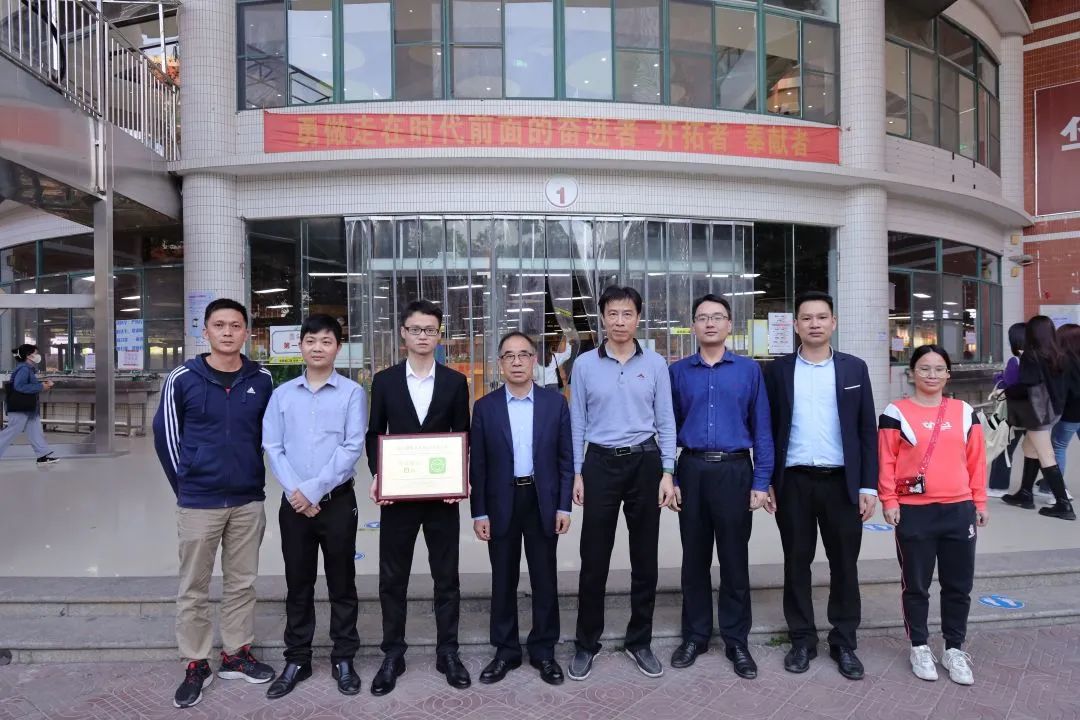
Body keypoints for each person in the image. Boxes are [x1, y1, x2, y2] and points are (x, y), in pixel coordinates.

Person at [152, 299, 277, 709]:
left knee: (242, 582)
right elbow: (166, 435)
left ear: (246, 332)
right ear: (204, 331)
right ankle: (196, 662)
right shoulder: (183, 378)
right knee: (194, 586)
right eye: (219, 325)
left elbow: (270, 436)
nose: (227, 332)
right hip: (198, 501)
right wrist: (187, 484)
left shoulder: (262, 379)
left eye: (235, 325)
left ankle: (236, 654)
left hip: (247, 499)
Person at [763, 291, 878, 681]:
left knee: (844, 564)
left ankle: (844, 642)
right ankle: (802, 640)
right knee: (796, 563)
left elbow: (867, 430)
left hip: (841, 483)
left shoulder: (854, 369)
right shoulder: (777, 371)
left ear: (834, 322)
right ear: (796, 325)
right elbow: (767, 429)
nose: (814, 324)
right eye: (807, 318)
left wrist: (868, 486)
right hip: (793, 482)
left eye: (821, 317)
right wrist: (768, 480)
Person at [567, 285, 677, 681]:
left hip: (645, 462)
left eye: (627, 314)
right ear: (602, 317)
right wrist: (577, 472)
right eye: (612, 313)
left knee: (644, 558)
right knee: (594, 558)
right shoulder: (584, 365)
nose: (619, 321)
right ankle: (586, 643)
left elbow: (666, 420)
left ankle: (639, 641)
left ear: (638, 318)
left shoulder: (656, 364)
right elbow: (577, 421)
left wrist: (667, 472)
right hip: (599, 463)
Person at [365, 299, 472, 695]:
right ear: (403, 334)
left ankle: (448, 652)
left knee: (447, 578)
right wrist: (379, 476)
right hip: (399, 497)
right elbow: (375, 433)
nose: (423, 336)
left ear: (439, 335)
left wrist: (461, 477)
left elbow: (463, 434)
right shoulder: (385, 381)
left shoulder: (455, 382)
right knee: (393, 578)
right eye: (416, 329)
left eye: (430, 330)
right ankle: (393, 653)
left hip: (441, 498)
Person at [668, 295, 773, 680]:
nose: (710, 323)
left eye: (717, 317)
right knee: (693, 559)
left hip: (735, 471)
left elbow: (763, 428)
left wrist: (761, 481)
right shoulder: (678, 372)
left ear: (730, 325)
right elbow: (666, 428)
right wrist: (670, 476)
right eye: (702, 318)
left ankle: (736, 640)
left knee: (733, 559)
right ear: (693, 326)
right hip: (692, 469)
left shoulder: (749, 371)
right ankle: (695, 636)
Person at [262, 315, 367, 699]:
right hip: (294, 506)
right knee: (298, 582)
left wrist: (313, 491)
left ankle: (344, 657)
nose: (318, 347)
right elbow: (273, 446)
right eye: (311, 340)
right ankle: (297, 659)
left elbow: (352, 447)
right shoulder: (282, 394)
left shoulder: (352, 393)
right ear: (300, 346)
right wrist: (298, 493)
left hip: (337, 503)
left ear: (338, 347)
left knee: (342, 583)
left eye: (326, 341)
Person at [879, 344, 988, 685]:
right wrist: (889, 500)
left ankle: (954, 648)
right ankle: (920, 646)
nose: (931, 374)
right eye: (924, 368)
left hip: (959, 509)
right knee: (916, 585)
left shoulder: (964, 412)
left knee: (958, 585)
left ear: (948, 374)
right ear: (912, 373)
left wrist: (980, 503)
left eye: (939, 369)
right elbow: (886, 460)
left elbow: (976, 461)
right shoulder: (895, 412)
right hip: (914, 512)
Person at [470, 331, 573, 686]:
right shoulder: (485, 408)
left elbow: (565, 460)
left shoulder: (554, 404)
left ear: (534, 360)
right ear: (500, 363)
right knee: (503, 579)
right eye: (509, 356)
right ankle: (506, 651)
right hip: (502, 502)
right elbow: (478, 466)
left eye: (524, 355)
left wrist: (564, 506)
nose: (517, 362)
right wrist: (479, 512)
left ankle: (544, 650)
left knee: (545, 578)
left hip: (542, 500)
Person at [1002, 315, 1072, 520]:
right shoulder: (1059, 355)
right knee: (1029, 448)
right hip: (1053, 410)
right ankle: (1025, 494)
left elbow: (1028, 386)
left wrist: (1008, 390)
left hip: (1037, 413)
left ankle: (1063, 504)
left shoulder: (1031, 356)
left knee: (1045, 454)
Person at [0, 344, 58, 464]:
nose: (38, 355)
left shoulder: (28, 369)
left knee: (36, 431)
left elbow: (26, 385)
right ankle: (42, 455)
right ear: (28, 355)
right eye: (35, 353)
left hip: (29, 408)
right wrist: (41, 386)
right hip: (21, 408)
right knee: (12, 431)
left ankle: (43, 455)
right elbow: (19, 386)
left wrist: (42, 385)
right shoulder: (24, 369)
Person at [987, 323, 1027, 497]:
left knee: (1004, 446)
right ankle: (1050, 487)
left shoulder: (1015, 361)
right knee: (1040, 452)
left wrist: (998, 378)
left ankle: (998, 486)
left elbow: (1009, 385)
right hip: (1037, 414)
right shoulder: (1041, 360)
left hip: (1015, 412)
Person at [1051, 323, 1080, 485]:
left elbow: (1062, 392)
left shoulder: (1064, 362)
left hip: (1070, 413)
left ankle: (1054, 488)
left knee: (1058, 446)